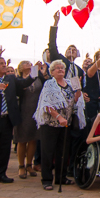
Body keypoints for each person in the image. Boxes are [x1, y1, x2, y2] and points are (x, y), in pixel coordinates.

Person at [0, 57, 45, 189]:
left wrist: (35, 71)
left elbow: (25, 83)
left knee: (4, 149)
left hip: (7, 120)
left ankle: (0, 174)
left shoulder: (11, 79)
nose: (4, 65)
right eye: (1, 64)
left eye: (4, 63)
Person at [33, 60, 86, 190]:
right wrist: (58, 117)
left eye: (62, 68)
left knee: (63, 151)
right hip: (51, 123)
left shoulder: (69, 83)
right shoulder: (49, 84)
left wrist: (78, 92)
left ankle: (61, 177)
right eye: (57, 68)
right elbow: (46, 104)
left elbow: (74, 101)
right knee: (48, 151)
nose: (60, 69)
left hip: (65, 123)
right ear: (51, 72)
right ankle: (46, 179)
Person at [49, 11, 86, 176]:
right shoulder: (61, 63)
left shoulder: (78, 69)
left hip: (75, 104)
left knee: (73, 136)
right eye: (69, 49)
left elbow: (80, 85)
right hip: (60, 104)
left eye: (74, 49)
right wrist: (55, 25)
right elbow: (52, 47)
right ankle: (56, 168)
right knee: (59, 138)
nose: (72, 50)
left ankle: (71, 167)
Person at [14, 60, 49, 179]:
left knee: (33, 139)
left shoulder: (37, 78)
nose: (29, 65)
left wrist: (43, 73)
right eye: (25, 63)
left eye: (30, 63)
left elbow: (46, 86)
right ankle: (21, 166)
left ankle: (29, 164)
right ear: (20, 68)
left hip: (36, 111)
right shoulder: (18, 79)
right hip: (23, 111)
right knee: (22, 139)